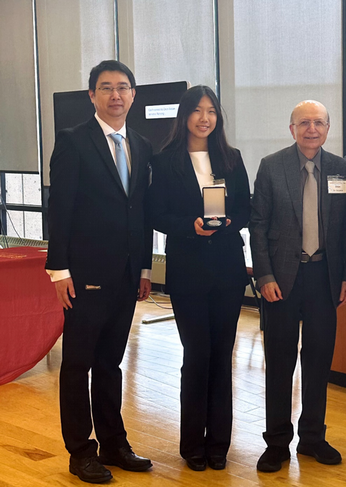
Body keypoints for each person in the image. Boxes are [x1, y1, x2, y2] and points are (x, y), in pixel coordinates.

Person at [46, 60, 153, 483]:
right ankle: (80, 451)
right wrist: (59, 270)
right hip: (85, 275)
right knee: (78, 365)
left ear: (133, 94)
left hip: (127, 274)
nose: (115, 95)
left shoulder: (140, 144)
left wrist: (145, 267)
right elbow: (62, 208)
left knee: (110, 363)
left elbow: (139, 211)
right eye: (106, 88)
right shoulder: (74, 141)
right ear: (91, 95)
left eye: (123, 87)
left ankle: (113, 443)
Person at [250, 100, 346, 473]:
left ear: (328, 128)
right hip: (280, 280)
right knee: (279, 363)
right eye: (304, 123)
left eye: (319, 123)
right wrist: (263, 276)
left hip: (324, 277)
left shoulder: (344, 170)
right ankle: (276, 442)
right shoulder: (271, 166)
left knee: (318, 362)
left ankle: (312, 437)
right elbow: (258, 226)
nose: (312, 129)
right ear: (291, 128)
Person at [147, 85, 251, 472]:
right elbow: (155, 214)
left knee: (222, 356)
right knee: (197, 355)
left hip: (226, 269)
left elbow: (245, 209)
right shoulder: (165, 160)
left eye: (211, 111)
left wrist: (225, 226)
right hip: (188, 270)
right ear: (185, 116)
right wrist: (190, 227)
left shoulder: (232, 158)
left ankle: (219, 444)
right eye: (197, 110)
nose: (205, 118)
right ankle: (192, 443)